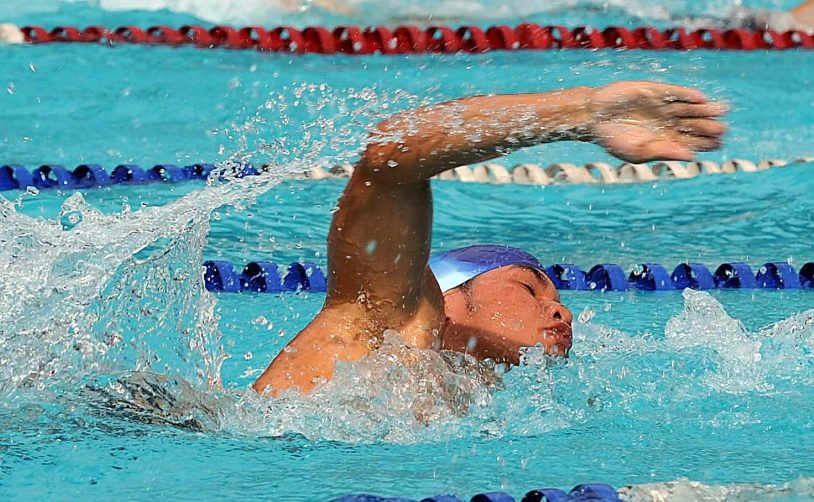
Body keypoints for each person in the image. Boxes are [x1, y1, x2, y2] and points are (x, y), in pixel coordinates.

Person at [253, 80, 728, 396]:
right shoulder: (378, 329)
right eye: (527, 288)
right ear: (448, 300)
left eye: (555, 297)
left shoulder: (474, 402)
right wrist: (585, 112)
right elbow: (393, 154)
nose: (562, 311)